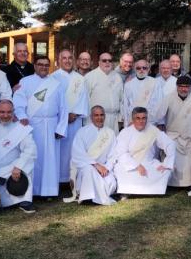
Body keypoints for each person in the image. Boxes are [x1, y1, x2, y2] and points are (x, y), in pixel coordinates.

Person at [13, 55, 69, 198]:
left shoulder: (56, 83)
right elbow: (18, 102)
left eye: (46, 65)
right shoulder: (25, 82)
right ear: (35, 66)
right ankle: (34, 190)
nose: (43, 67)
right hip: (33, 125)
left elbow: (63, 107)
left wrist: (61, 128)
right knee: (34, 157)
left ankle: (49, 191)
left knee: (51, 159)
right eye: (40, 64)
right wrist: (22, 117)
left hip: (52, 125)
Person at [113, 107, 176, 196]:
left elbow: (170, 144)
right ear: (133, 119)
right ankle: (127, 192)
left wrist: (167, 163)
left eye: (144, 118)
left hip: (149, 163)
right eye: (138, 118)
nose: (141, 121)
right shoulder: (125, 132)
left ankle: (151, 191)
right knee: (119, 169)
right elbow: (121, 153)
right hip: (130, 165)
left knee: (166, 171)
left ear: (147, 119)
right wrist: (137, 166)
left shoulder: (153, 130)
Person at [157, 76, 191, 189]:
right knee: (171, 158)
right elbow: (159, 116)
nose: (184, 89)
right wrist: (162, 131)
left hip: (190, 138)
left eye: (187, 87)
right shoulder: (168, 98)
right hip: (173, 137)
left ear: (190, 87)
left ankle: (190, 183)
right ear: (177, 87)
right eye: (181, 86)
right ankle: (171, 183)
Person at [53, 50, 90, 185]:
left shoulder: (80, 79)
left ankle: (72, 179)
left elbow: (84, 99)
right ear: (58, 60)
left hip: (75, 121)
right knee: (59, 150)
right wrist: (64, 115)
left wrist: (75, 113)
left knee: (73, 150)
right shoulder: (53, 78)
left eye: (70, 58)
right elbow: (52, 100)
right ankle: (58, 180)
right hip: (58, 121)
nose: (67, 61)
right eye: (64, 58)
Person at [69, 106, 118, 205]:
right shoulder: (82, 132)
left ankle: (94, 196)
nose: (99, 118)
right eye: (96, 115)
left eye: (101, 115)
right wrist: (95, 165)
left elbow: (113, 155)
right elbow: (78, 154)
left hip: (104, 168)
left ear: (105, 116)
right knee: (89, 170)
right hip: (86, 166)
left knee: (111, 182)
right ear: (91, 117)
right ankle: (87, 197)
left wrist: (107, 168)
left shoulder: (110, 133)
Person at [84, 52, 124, 132]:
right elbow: (84, 100)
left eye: (110, 60)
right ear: (99, 62)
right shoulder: (90, 77)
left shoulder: (117, 77)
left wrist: (121, 117)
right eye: (104, 60)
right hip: (96, 119)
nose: (107, 63)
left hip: (113, 119)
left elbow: (122, 99)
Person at [123, 59, 163, 126]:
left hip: (151, 121)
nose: (141, 70)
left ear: (148, 69)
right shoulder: (128, 85)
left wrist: (159, 122)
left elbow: (160, 102)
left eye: (144, 68)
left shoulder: (155, 83)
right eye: (138, 68)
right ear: (135, 69)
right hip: (133, 122)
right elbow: (125, 105)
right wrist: (126, 123)